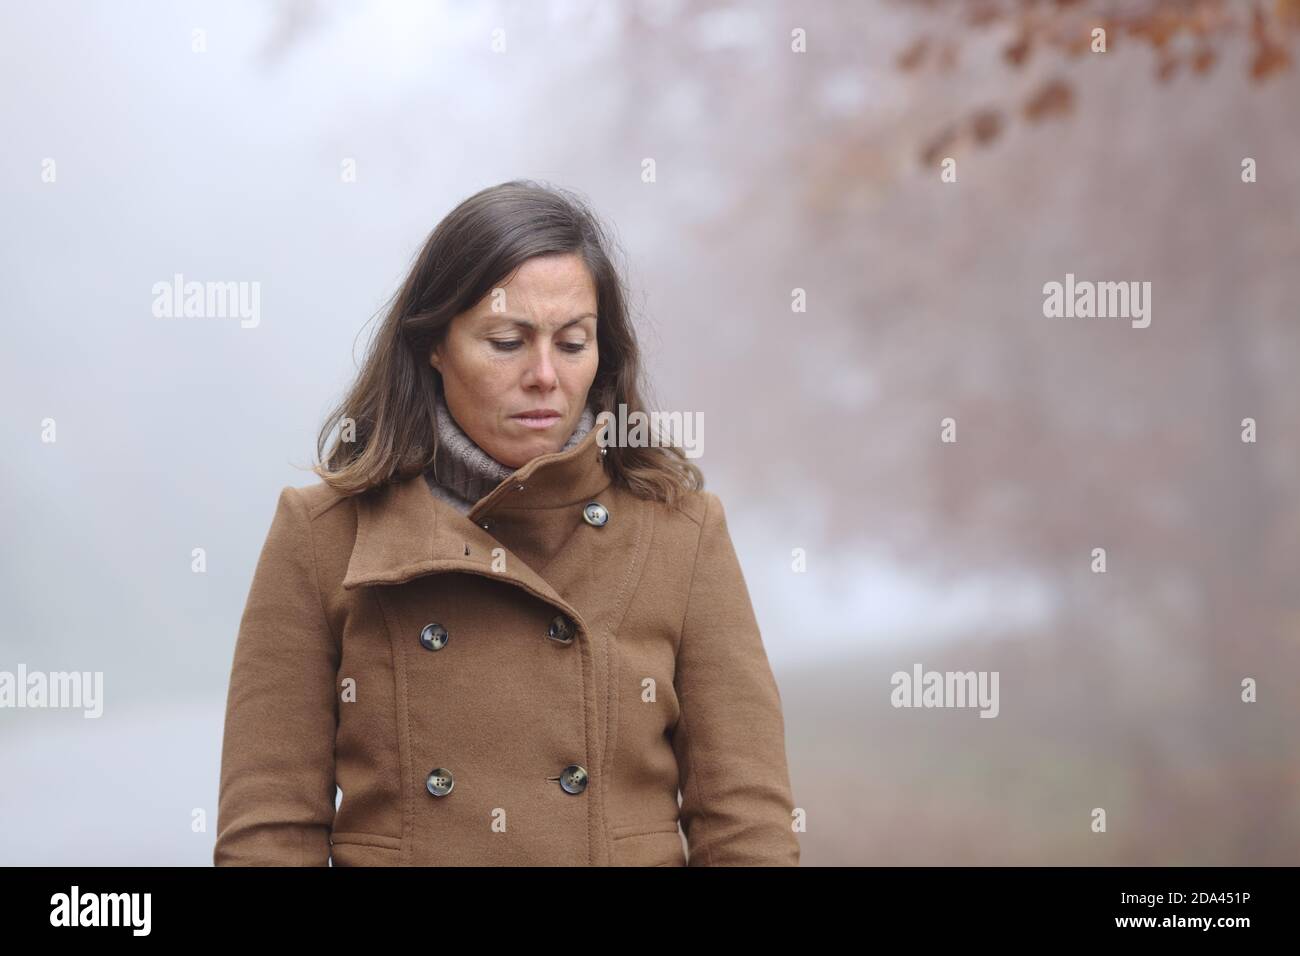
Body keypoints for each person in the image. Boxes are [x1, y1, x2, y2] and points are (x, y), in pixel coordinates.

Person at [213, 180, 799, 866]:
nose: (544, 376)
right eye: (506, 341)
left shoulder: (682, 534)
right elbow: (269, 836)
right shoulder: (322, 535)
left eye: (572, 343)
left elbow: (745, 828)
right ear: (435, 345)